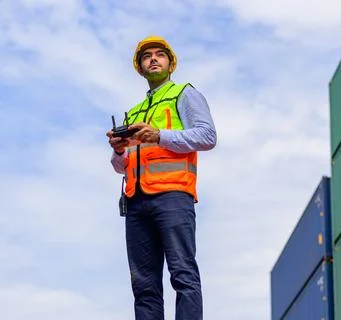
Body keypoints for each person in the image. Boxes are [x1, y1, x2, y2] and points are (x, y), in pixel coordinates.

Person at [106, 36, 216, 320]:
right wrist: (119, 151)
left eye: (159, 55)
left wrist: (159, 135)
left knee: (183, 274)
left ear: (170, 64)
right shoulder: (133, 113)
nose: (153, 59)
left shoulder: (184, 94)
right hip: (136, 202)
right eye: (147, 57)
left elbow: (207, 136)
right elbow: (121, 166)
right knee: (144, 286)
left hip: (173, 196)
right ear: (140, 68)